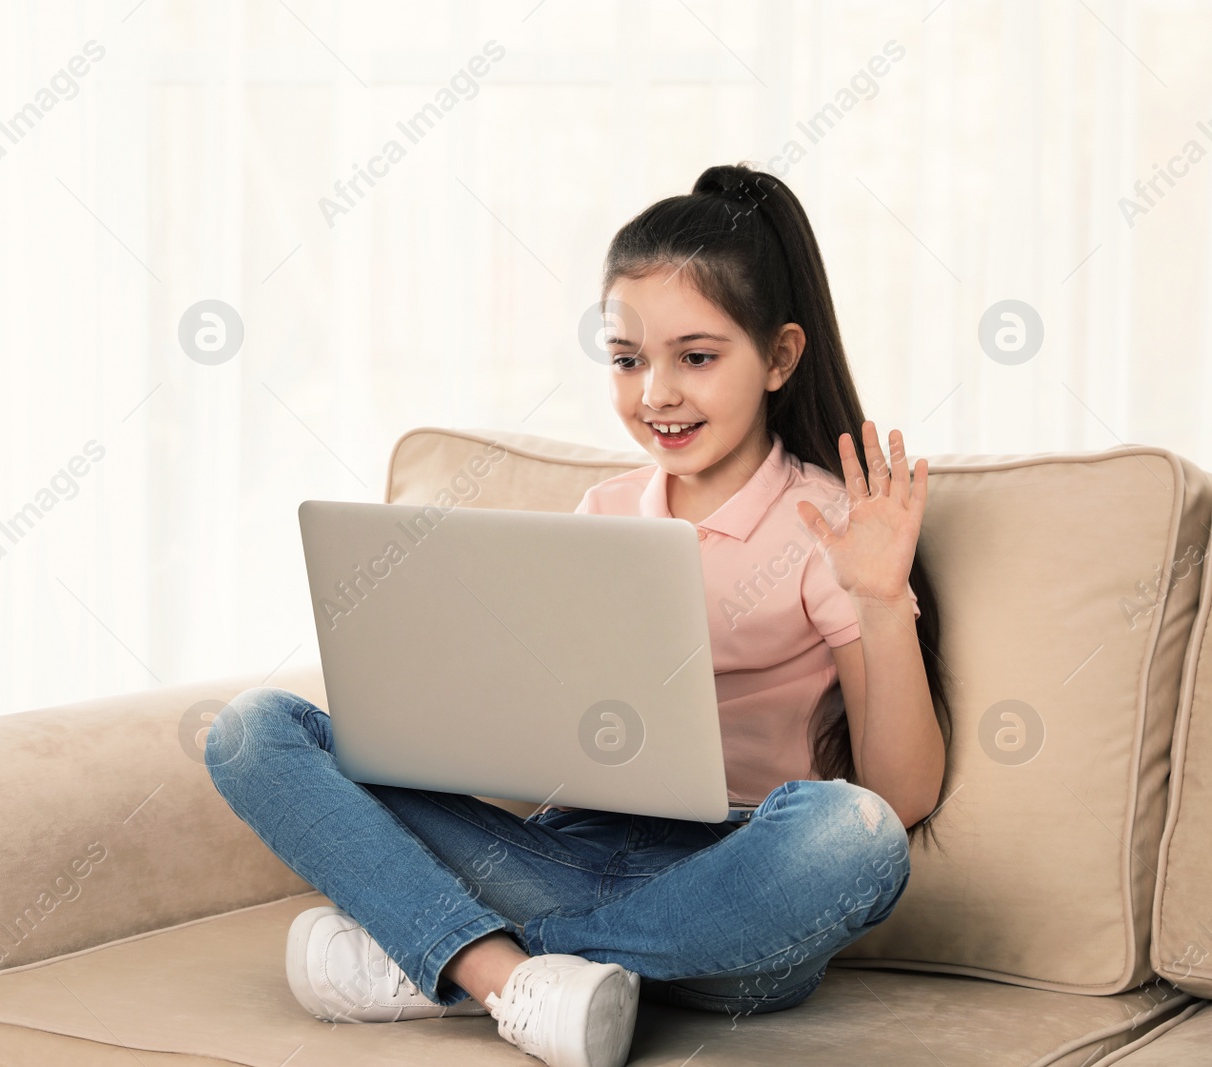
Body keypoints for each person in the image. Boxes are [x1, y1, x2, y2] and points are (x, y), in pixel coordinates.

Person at [203, 162, 951, 1067]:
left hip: (730, 885)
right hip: (558, 851)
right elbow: (523, 731)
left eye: (698, 358)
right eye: (629, 360)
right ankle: (511, 977)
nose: (656, 394)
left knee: (859, 838)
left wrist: (879, 596)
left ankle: (455, 963)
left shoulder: (827, 523)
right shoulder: (601, 516)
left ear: (781, 358)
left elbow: (899, 796)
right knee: (254, 729)